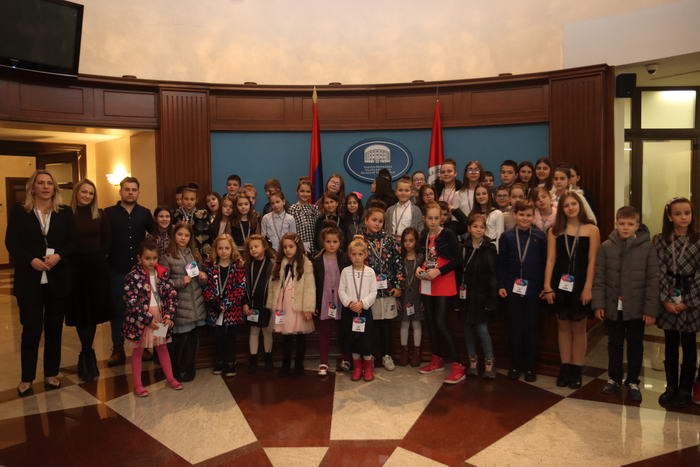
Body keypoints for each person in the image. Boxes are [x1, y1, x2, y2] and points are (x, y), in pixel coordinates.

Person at [6, 170, 75, 397]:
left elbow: (72, 242)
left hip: (57, 277)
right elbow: (12, 242)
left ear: (55, 188)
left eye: (49, 183)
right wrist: (30, 260)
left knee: (54, 329)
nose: (46, 187)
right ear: (32, 187)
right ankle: (27, 378)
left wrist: (59, 256)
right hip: (30, 278)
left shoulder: (64, 212)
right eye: (41, 183)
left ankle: (51, 373)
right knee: (32, 329)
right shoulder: (20, 211)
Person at [592, 206, 659, 402]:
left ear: (637, 225)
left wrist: (650, 309)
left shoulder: (647, 248)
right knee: (614, 344)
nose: (626, 227)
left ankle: (633, 381)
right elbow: (599, 279)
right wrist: (599, 304)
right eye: (622, 223)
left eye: (630, 224)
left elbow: (653, 280)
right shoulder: (606, 247)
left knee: (635, 345)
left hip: (636, 307)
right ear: (616, 224)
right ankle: (614, 378)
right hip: (614, 306)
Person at [542, 192, 600, 389]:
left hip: (581, 284)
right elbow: (551, 260)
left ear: (580, 205)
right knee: (563, 327)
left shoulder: (592, 229)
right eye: (566, 205)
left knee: (579, 328)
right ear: (562, 209)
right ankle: (565, 367)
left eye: (574, 204)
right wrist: (547, 286)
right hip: (560, 283)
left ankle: (576, 368)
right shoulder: (554, 230)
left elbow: (592, 261)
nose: (570, 208)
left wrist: (588, 287)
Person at [654, 197, 700, 407]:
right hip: (669, 295)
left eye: (687, 213)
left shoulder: (697, 239)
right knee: (670, 343)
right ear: (670, 217)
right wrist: (665, 299)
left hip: (691, 297)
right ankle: (671, 386)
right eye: (678, 214)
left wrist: (688, 301)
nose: (683, 217)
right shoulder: (661, 240)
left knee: (689, 345)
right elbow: (659, 270)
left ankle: (685, 388)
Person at [122, 239, 183, 397]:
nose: (151, 262)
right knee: (138, 350)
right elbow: (131, 302)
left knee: (162, 347)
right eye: (147, 258)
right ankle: (138, 385)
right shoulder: (133, 276)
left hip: (160, 317)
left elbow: (171, 295)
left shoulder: (162, 274)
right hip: (141, 320)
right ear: (139, 258)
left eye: (154, 258)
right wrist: (148, 320)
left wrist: (168, 316)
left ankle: (170, 378)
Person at [105, 176, 154, 366]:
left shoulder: (145, 213)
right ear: (120, 191)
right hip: (116, 269)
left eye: (134, 189)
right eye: (127, 189)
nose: (130, 192)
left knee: (142, 309)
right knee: (118, 310)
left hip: (140, 272)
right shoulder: (108, 213)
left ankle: (144, 346)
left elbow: (155, 236)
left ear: (138, 192)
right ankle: (117, 348)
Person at [67, 179, 112, 382]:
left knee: (92, 314)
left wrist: (99, 259)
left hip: (96, 271)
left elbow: (107, 242)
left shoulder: (100, 214)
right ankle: (86, 353)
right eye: (84, 192)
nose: (87, 196)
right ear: (76, 193)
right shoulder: (66, 214)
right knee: (80, 313)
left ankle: (86, 354)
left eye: (91, 193)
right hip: (75, 271)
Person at [498, 200, 547, 382]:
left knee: (531, 329)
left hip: (534, 290)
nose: (525, 218)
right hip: (512, 289)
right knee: (514, 328)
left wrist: (543, 287)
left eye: (528, 215)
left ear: (533, 216)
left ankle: (530, 367)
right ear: (515, 215)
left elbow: (544, 263)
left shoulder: (540, 236)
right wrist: (501, 285)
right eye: (521, 214)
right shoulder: (507, 237)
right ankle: (515, 365)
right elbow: (501, 263)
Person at [417, 201, 464, 384]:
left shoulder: (448, 234)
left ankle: (458, 364)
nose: (433, 221)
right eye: (430, 218)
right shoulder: (424, 235)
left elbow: (457, 260)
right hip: (427, 282)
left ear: (442, 218)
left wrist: (439, 271)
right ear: (425, 219)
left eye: (437, 218)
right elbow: (423, 256)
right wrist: (419, 269)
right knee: (430, 323)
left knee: (441, 323)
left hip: (443, 282)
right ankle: (436, 358)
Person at [161, 222, 208, 382]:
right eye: (180, 234)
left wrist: (203, 277)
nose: (183, 238)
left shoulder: (194, 254)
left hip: (196, 305)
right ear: (174, 236)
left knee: (194, 340)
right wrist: (181, 281)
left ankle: (190, 367)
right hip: (180, 306)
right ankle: (177, 368)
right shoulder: (166, 257)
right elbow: (163, 284)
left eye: (186, 235)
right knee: (181, 340)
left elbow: (201, 280)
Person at [268, 233, 316, 376]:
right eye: (285, 247)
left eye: (291, 246)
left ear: (298, 247)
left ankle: (299, 364)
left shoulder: (305, 263)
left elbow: (309, 287)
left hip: (298, 304)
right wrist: (272, 303)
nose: (288, 250)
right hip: (283, 304)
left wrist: (308, 308)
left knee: (300, 336)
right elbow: (273, 285)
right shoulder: (279, 263)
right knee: (285, 336)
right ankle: (286, 364)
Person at [363, 207, 404, 371]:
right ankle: (371, 356)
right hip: (369, 293)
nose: (377, 223)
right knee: (371, 326)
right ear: (366, 220)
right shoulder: (360, 240)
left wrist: (398, 286)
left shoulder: (389, 240)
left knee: (386, 325)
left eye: (380, 221)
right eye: (374, 220)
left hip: (388, 290)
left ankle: (387, 355)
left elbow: (398, 263)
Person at [460, 213, 498, 379]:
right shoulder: (463, 247)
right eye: (475, 226)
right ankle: (473, 361)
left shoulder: (490, 248)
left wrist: (491, 298)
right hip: (466, 295)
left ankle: (489, 362)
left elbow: (493, 275)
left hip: (483, 295)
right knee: (468, 329)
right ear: (469, 228)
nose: (478, 230)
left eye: (482, 227)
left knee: (482, 329)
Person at [203, 234, 247, 377]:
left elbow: (240, 288)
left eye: (227, 248)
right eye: (220, 248)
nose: (223, 251)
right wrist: (213, 301)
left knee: (230, 338)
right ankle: (219, 361)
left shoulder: (238, 266)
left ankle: (230, 362)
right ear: (215, 249)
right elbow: (206, 287)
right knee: (218, 337)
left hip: (231, 309)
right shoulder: (210, 267)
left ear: (232, 249)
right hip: (215, 309)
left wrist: (225, 304)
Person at [338, 238, 378, 382]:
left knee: (366, 340)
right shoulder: (345, 271)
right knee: (352, 340)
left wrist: (362, 303)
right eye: (354, 254)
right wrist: (350, 303)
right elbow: (341, 290)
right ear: (349, 255)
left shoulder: (370, 272)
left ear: (365, 254)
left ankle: (368, 366)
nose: (357, 257)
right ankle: (357, 367)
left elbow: (373, 292)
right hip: (350, 311)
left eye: (360, 254)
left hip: (364, 312)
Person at [313, 227, 350, 375]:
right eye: (328, 241)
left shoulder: (345, 258)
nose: (332, 245)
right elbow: (314, 284)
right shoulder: (316, 260)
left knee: (343, 331)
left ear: (340, 242)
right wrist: (315, 304)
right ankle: (323, 362)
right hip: (324, 300)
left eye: (335, 241)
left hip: (341, 300)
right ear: (323, 242)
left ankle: (346, 358)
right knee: (325, 332)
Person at [244, 234, 275, 373]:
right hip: (252, 304)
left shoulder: (272, 264)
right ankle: (253, 360)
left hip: (267, 304)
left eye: (256, 246)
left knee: (267, 331)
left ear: (264, 247)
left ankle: (268, 358)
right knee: (254, 332)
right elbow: (244, 286)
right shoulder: (247, 265)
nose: (253, 250)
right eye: (251, 248)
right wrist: (245, 303)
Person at [397, 228, 424, 367]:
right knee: (404, 323)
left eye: (411, 240)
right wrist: (396, 299)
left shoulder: (421, 258)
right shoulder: (399, 259)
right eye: (405, 240)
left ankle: (417, 352)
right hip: (404, 296)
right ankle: (404, 351)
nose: (408, 243)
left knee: (417, 323)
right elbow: (396, 279)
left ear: (416, 242)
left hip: (418, 296)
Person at [289, 178, 320, 255]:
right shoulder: (293, 209)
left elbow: (318, 228)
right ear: (297, 192)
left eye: (308, 191)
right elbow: (291, 231)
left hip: (314, 248)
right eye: (302, 191)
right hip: (300, 247)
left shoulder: (315, 208)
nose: (305, 194)